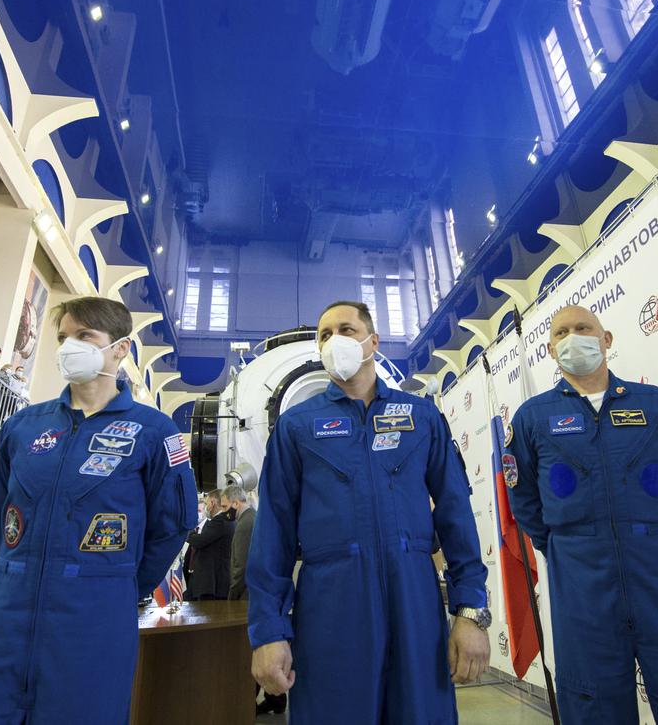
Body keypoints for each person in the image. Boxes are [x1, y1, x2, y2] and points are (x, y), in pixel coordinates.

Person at [0, 296, 197, 725]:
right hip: (6, 611)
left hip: (95, 615)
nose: (68, 348)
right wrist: (13, 566)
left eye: (84, 336)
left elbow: (173, 523)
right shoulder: (24, 426)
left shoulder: (154, 431)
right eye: (63, 337)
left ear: (120, 348)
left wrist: (116, 582)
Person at [247, 300, 490, 723]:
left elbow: (456, 516)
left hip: (415, 602)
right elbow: (274, 534)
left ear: (372, 342)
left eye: (346, 329)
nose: (334, 341)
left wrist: (470, 612)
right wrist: (268, 632)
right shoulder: (297, 427)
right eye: (324, 335)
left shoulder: (422, 417)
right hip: (330, 608)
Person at [507, 305, 658, 724]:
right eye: (561, 333)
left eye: (583, 328)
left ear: (606, 339)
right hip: (582, 587)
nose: (572, 337)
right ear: (550, 349)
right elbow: (526, 506)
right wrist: (570, 547)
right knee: (593, 706)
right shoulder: (531, 419)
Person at [186, 491, 233, 600]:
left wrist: (190, 532)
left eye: (207, 504)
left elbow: (199, 541)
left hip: (213, 583)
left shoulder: (220, 520)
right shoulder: (224, 519)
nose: (206, 507)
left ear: (213, 502)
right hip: (211, 582)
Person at [224, 486, 256, 601]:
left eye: (224, 506)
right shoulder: (252, 516)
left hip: (245, 593)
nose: (223, 511)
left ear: (236, 503)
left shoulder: (245, 524)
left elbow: (242, 565)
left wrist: (233, 594)